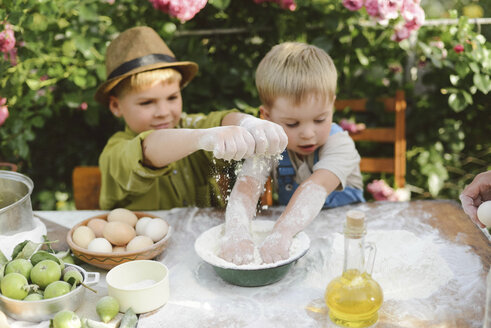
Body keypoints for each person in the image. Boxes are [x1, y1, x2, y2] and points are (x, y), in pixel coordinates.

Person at [95, 26, 287, 210]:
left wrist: (246, 122)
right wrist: (201, 139)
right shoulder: (114, 153)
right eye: (146, 103)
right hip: (144, 243)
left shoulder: (189, 125)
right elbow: (147, 149)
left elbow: (219, 120)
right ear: (115, 106)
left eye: (172, 97)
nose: (163, 111)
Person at [219, 42, 365, 265]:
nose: (308, 133)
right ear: (266, 117)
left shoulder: (340, 146)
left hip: (346, 242)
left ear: (333, 106)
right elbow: (247, 186)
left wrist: (281, 233)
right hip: (297, 245)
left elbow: (315, 188)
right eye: (292, 123)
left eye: (320, 119)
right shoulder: (270, 145)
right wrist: (237, 232)